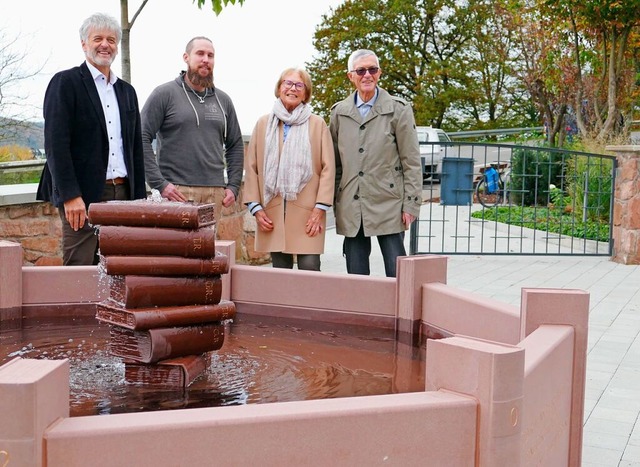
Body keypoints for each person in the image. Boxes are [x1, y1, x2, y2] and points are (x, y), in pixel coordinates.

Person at [37, 12, 147, 266]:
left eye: (111, 39)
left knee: (120, 268)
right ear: (84, 44)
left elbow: (135, 149)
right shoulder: (66, 83)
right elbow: (56, 145)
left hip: (124, 194)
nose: (105, 44)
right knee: (80, 269)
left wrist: (139, 201)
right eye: (98, 38)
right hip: (82, 195)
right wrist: (70, 196)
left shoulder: (127, 92)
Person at [329, 49, 422, 277]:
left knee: (396, 270)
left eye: (372, 69)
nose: (367, 75)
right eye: (360, 70)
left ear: (379, 73)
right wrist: (335, 200)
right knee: (357, 274)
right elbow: (334, 164)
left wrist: (411, 204)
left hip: (389, 203)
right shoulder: (339, 113)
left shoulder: (398, 110)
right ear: (351, 76)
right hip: (352, 203)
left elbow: (411, 161)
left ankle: (399, 312)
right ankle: (361, 312)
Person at [141, 36, 244, 226]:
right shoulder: (164, 94)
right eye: (200, 53)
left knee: (208, 253)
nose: (206, 59)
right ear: (186, 57)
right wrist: (160, 184)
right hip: (176, 192)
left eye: (211, 55)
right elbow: (140, 137)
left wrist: (233, 185)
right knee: (175, 253)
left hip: (215, 193)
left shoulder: (223, 100)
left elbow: (235, 144)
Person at [243, 68, 335, 271]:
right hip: (272, 211)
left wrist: (320, 209)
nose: (292, 88)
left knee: (310, 268)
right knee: (280, 272)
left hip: (309, 213)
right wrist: (257, 210)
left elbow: (329, 169)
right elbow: (252, 169)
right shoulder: (263, 124)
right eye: (288, 83)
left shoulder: (317, 124)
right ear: (279, 88)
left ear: (306, 93)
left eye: (299, 85)